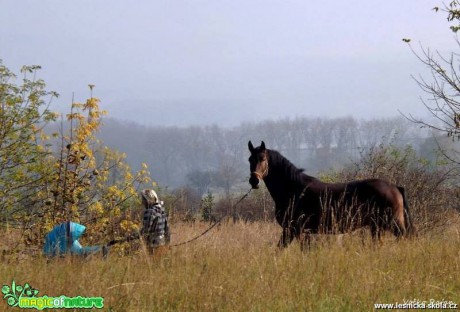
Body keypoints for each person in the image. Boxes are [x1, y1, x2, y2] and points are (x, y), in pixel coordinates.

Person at [140, 189, 170, 254]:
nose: (142, 202)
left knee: (152, 263)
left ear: (148, 200)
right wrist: (167, 244)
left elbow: (146, 231)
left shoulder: (150, 211)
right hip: (162, 243)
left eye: (143, 199)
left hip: (152, 245)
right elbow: (167, 230)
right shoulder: (162, 210)